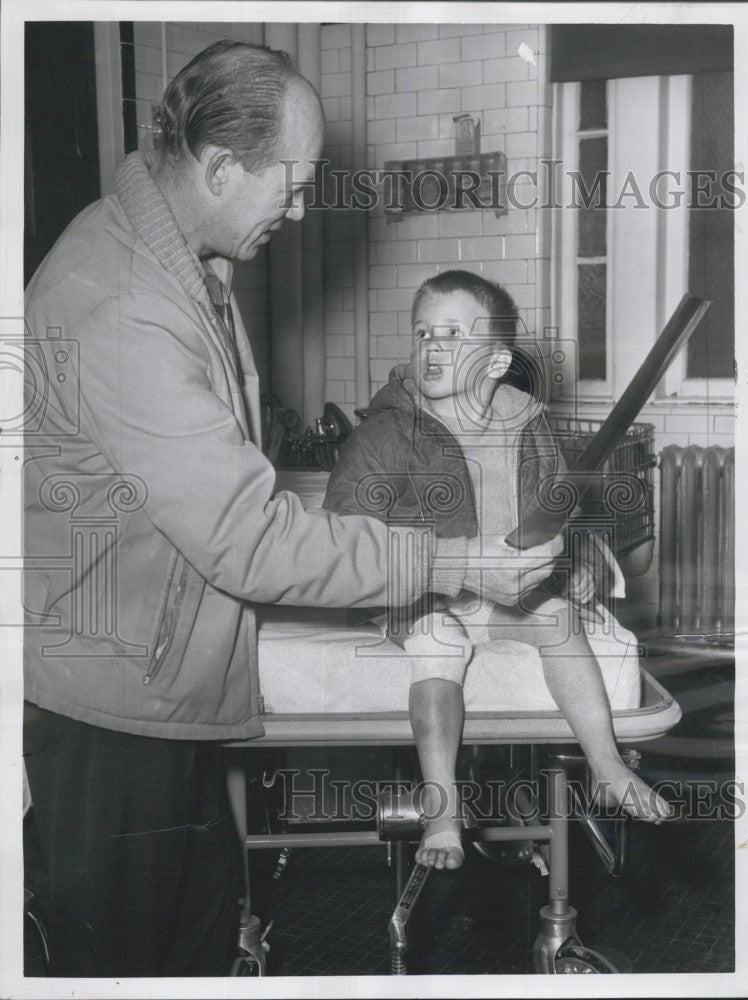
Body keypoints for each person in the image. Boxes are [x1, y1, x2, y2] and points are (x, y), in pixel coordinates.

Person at [22, 44, 564, 976]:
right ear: (222, 168)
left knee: (186, 957)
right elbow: (249, 540)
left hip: (165, 694)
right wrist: (456, 562)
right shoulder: (122, 301)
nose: (304, 209)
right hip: (114, 711)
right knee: (119, 968)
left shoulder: (185, 265)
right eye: (295, 185)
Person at [324, 269, 673, 871]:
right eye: (422, 332)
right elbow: (342, 541)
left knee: (561, 618)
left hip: (506, 597)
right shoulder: (384, 435)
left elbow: (563, 510)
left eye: (453, 333)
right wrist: (438, 569)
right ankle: (441, 809)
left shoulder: (528, 426)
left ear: (495, 361)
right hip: (419, 597)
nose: (432, 345)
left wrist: (583, 559)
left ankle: (607, 764)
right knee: (438, 639)